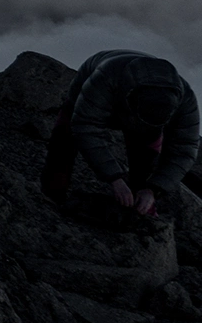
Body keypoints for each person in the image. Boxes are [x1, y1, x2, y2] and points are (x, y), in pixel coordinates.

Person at [41, 49, 200, 216]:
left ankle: (141, 205)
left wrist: (153, 189)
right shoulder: (106, 78)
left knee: (145, 158)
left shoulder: (186, 99)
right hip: (97, 83)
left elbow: (184, 150)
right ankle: (52, 194)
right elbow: (84, 127)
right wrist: (115, 179)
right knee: (65, 137)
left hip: (135, 101)